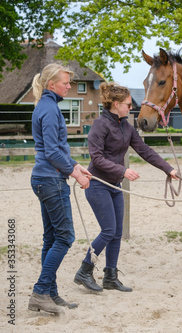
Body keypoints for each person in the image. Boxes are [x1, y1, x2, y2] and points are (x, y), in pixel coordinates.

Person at [74, 82, 179, 293]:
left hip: (114, 186)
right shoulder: (99, 125)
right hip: (98, 184)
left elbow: (144, 150)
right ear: (116, 104)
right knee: (108, 230)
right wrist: (122, 171)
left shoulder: (126, 126)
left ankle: (110, 276)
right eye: (128, 104)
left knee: (117, 232)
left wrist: (168, 169)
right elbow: (96, 158)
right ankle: (85, 270)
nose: (131, 108)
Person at [29, 63, 91, 314]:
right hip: (52, 181)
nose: (69, 86)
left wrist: (76, 165)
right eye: (65, 82)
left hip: (44, 178)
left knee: (51, 238)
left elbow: (52, 148)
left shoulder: (44, 106)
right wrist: (74, 172)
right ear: (51, 84)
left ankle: (50, 294)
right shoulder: (50, 109)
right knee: (65, 237)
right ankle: (41, 292)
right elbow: (53, 151)